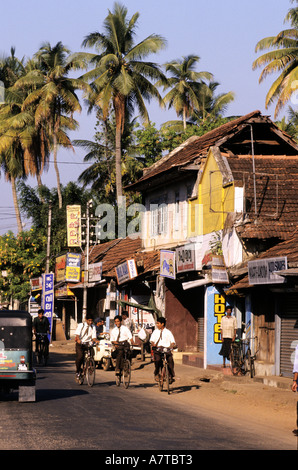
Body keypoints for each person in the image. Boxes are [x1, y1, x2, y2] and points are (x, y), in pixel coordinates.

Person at [150, 317, 176, 384]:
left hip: (166, 349)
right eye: (157, 323)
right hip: (157, 349)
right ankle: (156, 373)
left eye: (158, 323)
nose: (157, 325)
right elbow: (152, 340)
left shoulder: (168, 332)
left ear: (162, 324)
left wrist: (173, 345)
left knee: (170, 361)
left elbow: (172, 341)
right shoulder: (155, 332)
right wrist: (154, 344)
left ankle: (171, 376)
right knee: (158, 360)